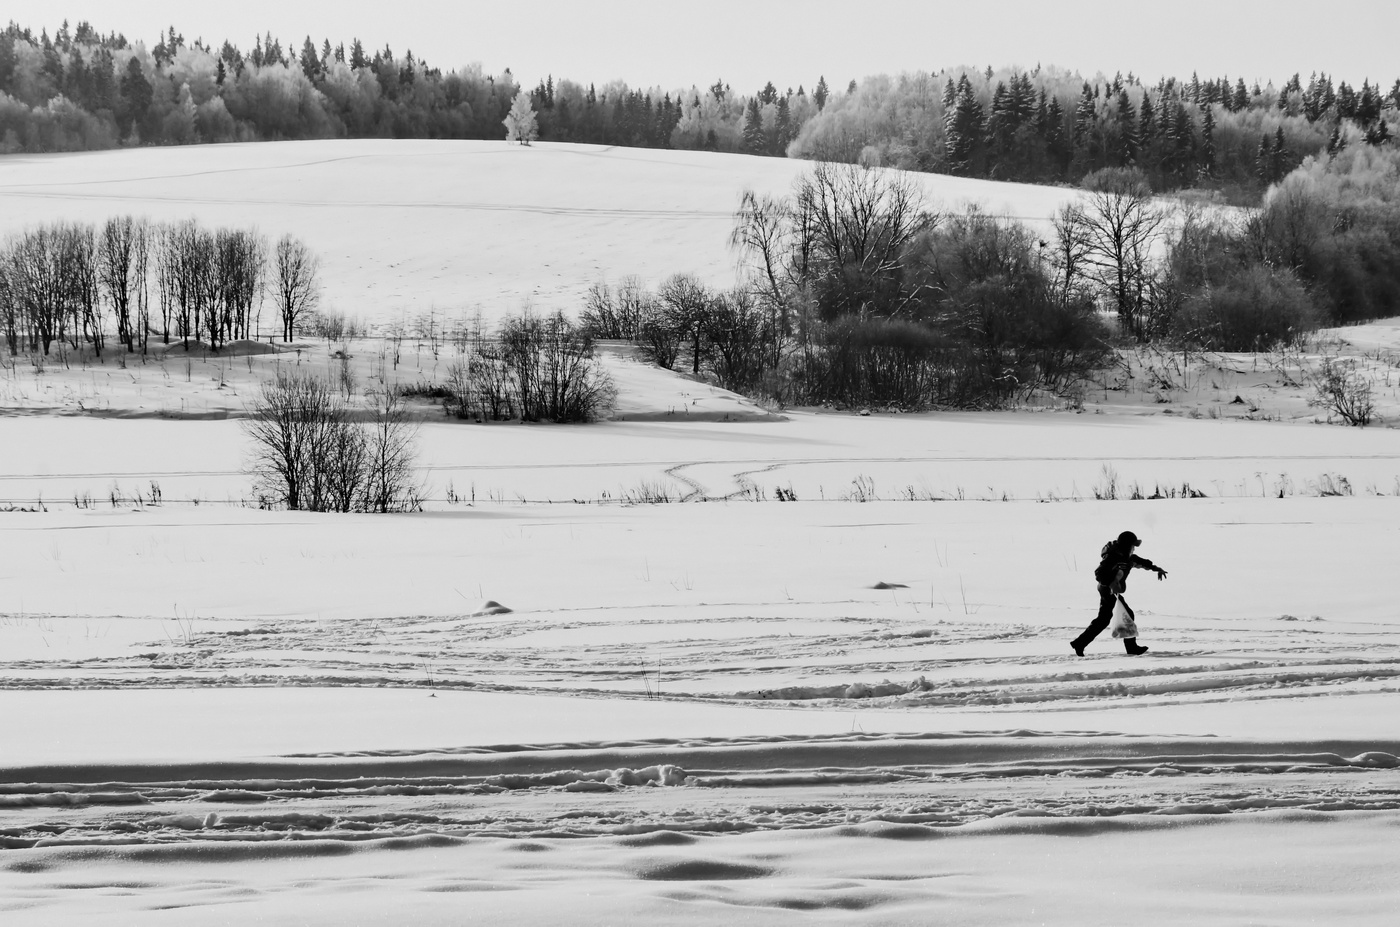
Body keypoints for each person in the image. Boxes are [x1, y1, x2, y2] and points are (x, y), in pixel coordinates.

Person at [1071, 530, 1167, 656]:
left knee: (1105, 619)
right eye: (1133, 545)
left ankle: (1080, 643)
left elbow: (1141, 562)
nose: (1134, 548)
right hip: (1107, 589)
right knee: (1125, 615)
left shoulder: (1127, 557)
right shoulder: (1114, 557)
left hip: (1110, 590)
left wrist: (1156, 569)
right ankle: (1131, 648)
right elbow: (1099, 573)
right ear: (1127, 545)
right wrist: (1111, 584)